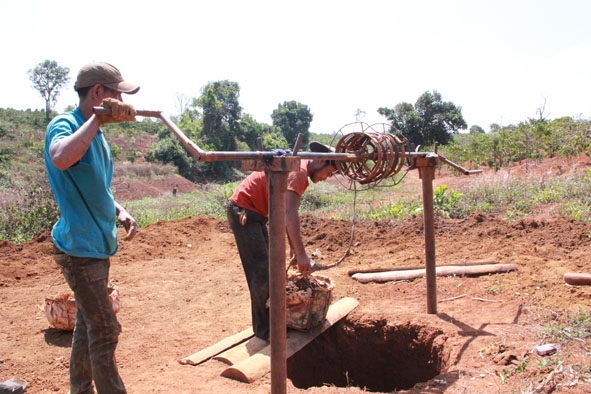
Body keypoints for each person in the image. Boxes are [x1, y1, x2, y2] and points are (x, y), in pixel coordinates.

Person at [44, 62, 140, 394]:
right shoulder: (66, 125)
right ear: (98, 93)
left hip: (96, 246)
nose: (121, 100)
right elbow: (59, 157)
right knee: (105, 329)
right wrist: (97, 118)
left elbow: (95, 186)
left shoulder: (95, 135)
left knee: (87, 325)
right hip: (79, 249)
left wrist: (120, 210)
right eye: (117, 93)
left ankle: (80, 389)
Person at [226, 142, 337, 340]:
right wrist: (302, 254)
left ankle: (274, 321)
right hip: (244, 211)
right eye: (329, 172)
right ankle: (264, 329)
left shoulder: (299, 168)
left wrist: (294, 248)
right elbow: (289, 212)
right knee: (262, 274)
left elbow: (284, 209)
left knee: (273, 270)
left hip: (257, 213)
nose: (326, 178)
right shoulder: (300, 172)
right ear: (320, 160)